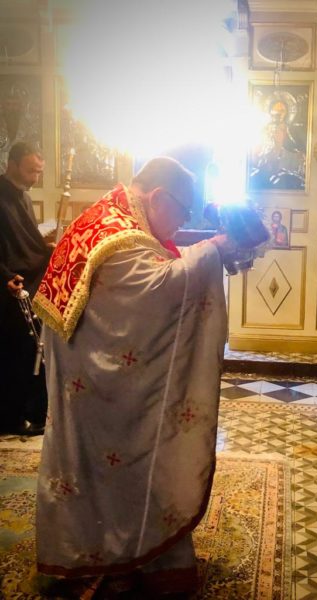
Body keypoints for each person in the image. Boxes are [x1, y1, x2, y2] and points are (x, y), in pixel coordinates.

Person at [32, 157, 242, 597]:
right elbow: (153, 292)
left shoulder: (105, 216)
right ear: (159, 197)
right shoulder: (120, 233)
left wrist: (206, 252)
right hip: (100, 386)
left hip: (83, 378)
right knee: (128, 459)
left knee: (93, 469)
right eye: (183, 211)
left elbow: (150, 268)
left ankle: (96, 550)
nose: (182, 222)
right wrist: (213, 251)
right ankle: (124, 553)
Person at [0, 141, 50, 436]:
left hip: (26, 281)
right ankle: (10, 416)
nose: (35, 178)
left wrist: (46, 249)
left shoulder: (25, 198)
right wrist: (4, 275)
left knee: (32, 348)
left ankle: (30, 410)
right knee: (13, 352)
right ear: (13, 164)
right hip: (6, 286)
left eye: (39, 172)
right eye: (31, 171)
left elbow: (27, 242)